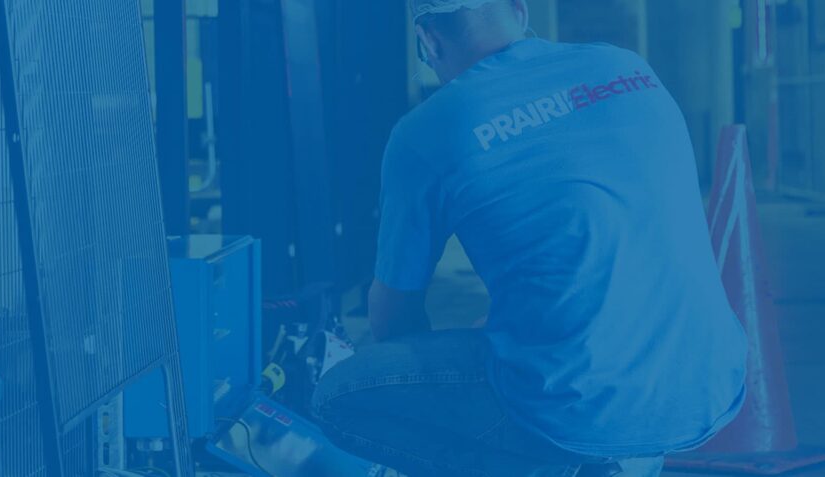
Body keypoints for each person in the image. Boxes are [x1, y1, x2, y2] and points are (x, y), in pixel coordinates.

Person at [311, 1, 748, 476]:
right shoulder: (626, 66)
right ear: (519, 9)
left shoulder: (426, 130)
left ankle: (566, 463)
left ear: (429, 41)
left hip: (585, 412)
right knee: (501, 336)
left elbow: (391, 318)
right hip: (710, 384)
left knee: (341, 394)